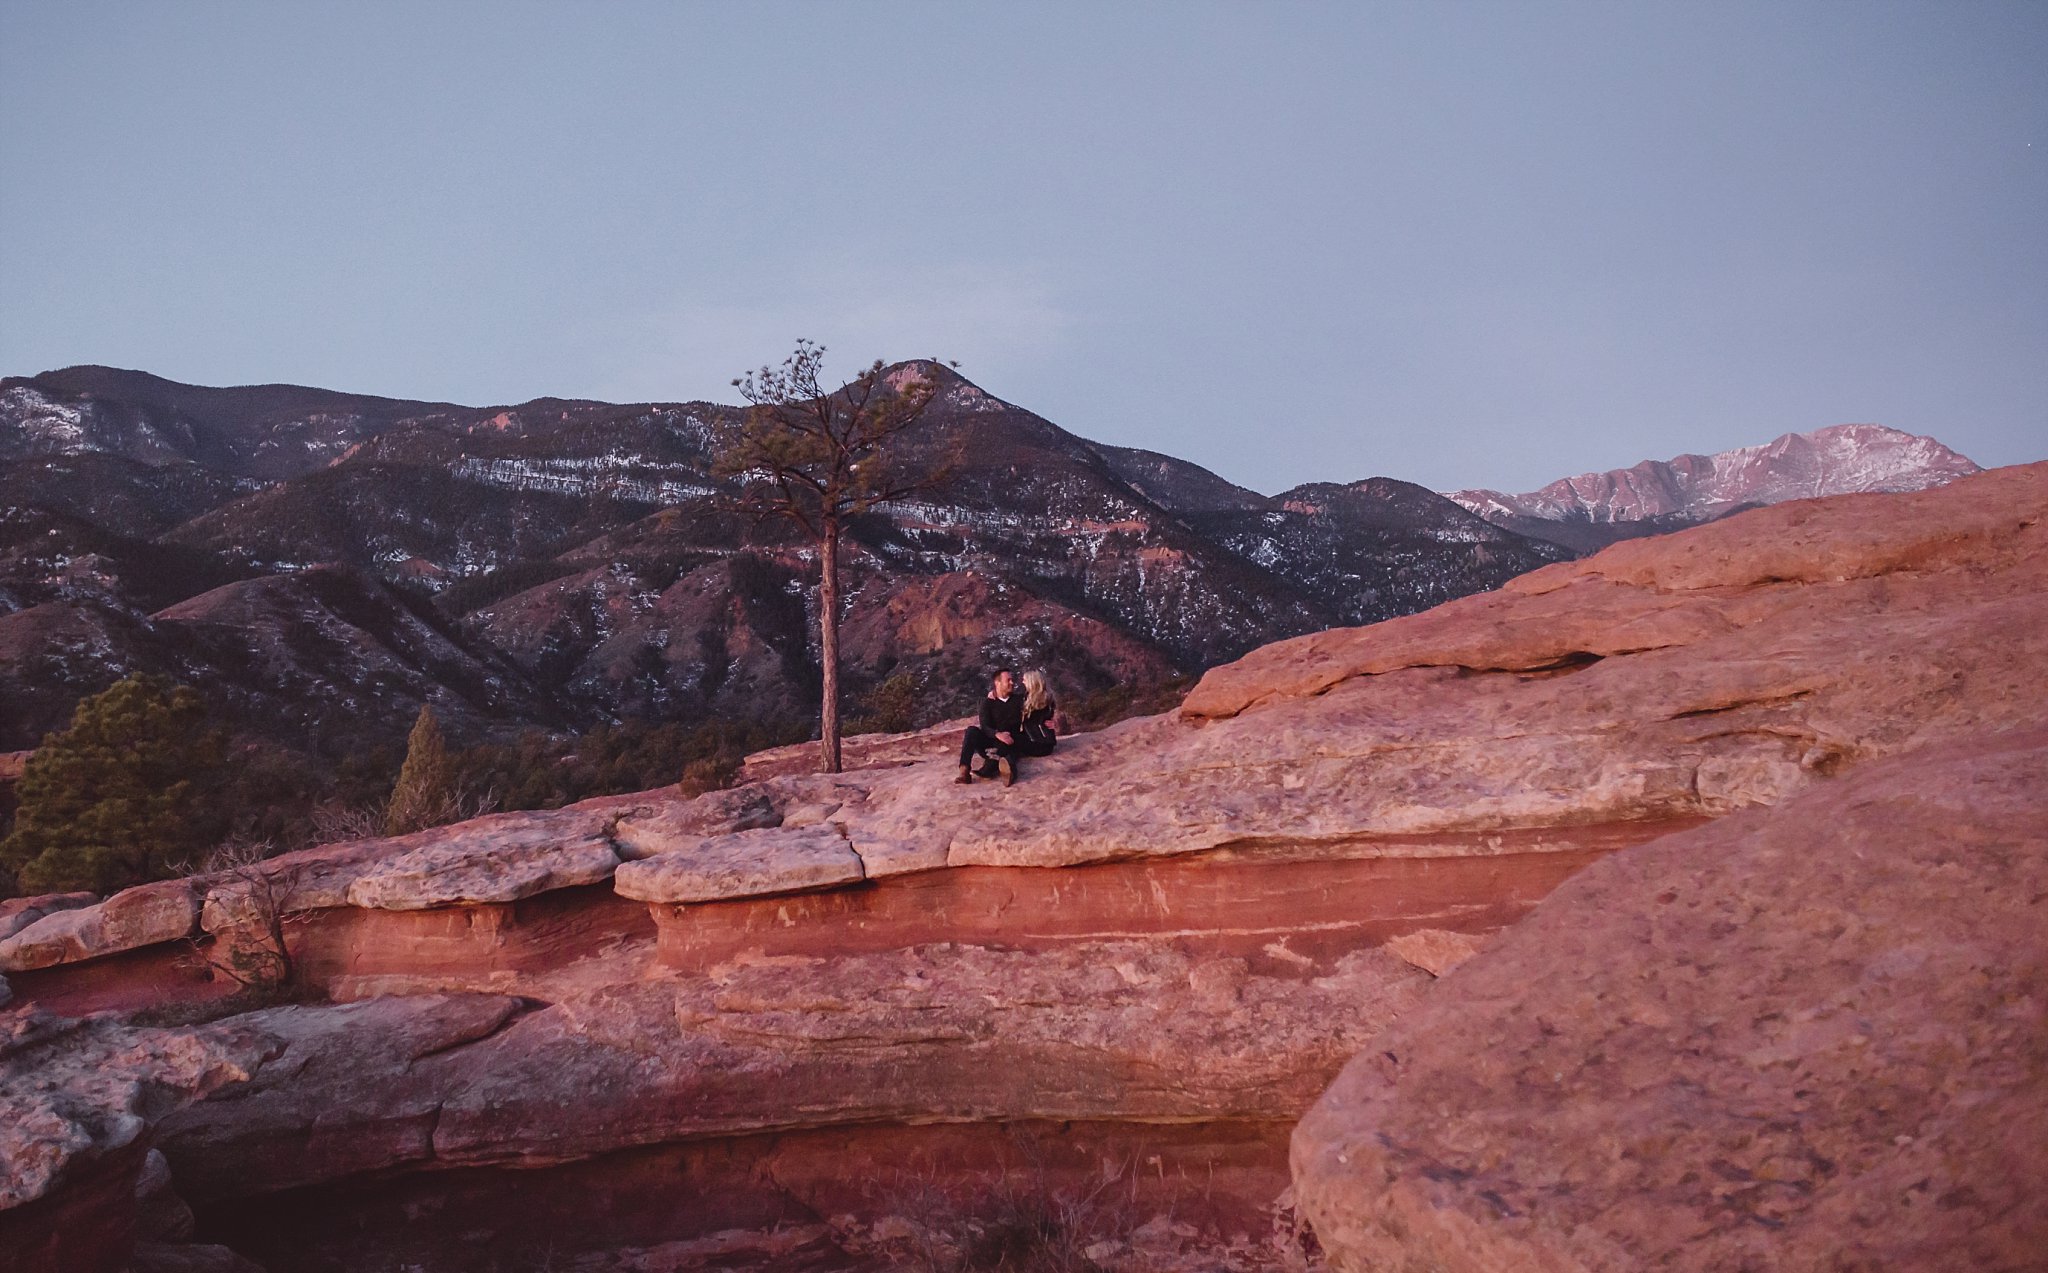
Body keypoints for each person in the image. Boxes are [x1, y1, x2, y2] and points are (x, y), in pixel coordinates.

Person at [956, 667, 1023, 785]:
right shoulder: (987, 702)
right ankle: (964, 771)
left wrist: (1047, 719)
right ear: (997, 683)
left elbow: (1038, 699)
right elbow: (985, 726)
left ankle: (993, 770)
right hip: (991, 741)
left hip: (1009, 742)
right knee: (971, 731)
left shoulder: (1019, 700)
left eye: (1012, 680)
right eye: (1008, 680)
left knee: (1007, 749)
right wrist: (997, 734)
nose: (1012, 683)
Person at [1017, 670, 1059, 764]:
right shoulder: (1034, 697)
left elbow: (1033, 720)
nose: (1022, 682)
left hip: (1039, 743)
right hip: (1042, 741)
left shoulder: (1041, 701)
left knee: (1012, 742)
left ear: (1032, 682)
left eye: (1024, 680)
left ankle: (1004, 765)